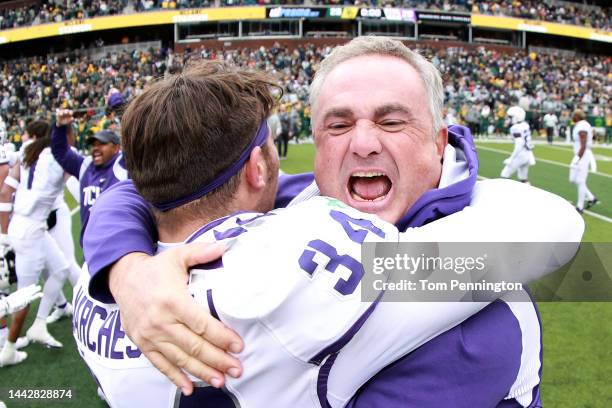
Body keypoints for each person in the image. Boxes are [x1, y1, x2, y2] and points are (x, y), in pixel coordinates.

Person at [82, 37, 584, 406]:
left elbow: (552, 225)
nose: (363, 143)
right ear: (311, 150)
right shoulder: (307, 226)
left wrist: (124, 268)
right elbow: (554, 226)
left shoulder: (477, 305)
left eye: (391, 121)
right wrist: (128, 270)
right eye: (338, 125)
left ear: (439, 141)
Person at [0, 119, 72, 367]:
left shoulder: (27, 153)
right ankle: (8, 348)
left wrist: (4, 232)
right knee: (23, 296)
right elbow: (76, 172)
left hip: (30, 226)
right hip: (29, 231)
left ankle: (39, 325)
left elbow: (6, 191)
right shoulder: (53, 156)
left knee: (61, 269)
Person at [50, 113, 128, 238]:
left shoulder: (123, 163)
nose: (96, 148)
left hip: (120, 242)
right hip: (92, 245)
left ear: (116, 148)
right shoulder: (85, 166)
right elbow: (60, 151)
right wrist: (59, 127)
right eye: (94, 145)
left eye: (102, 144)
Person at [570, 109, 598, 213]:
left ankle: (580, 207)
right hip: (580, 154)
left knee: (580, 181)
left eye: (573, 115)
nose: (572, 117)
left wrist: (577, 158)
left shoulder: (582, 125)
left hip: (582, 155)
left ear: (577, 116)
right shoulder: (581, 124)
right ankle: (591, 198)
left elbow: (583, 144)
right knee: (573, 179)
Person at [500, 106, 536, 183]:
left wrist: (511, 158)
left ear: (517, 117)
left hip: (520, 154)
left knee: (504, 175)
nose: (509, 118)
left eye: (511, 117)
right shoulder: (525, 124)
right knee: (523, 178)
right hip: (528, 154)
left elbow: (519, 144)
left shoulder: (515, 128)